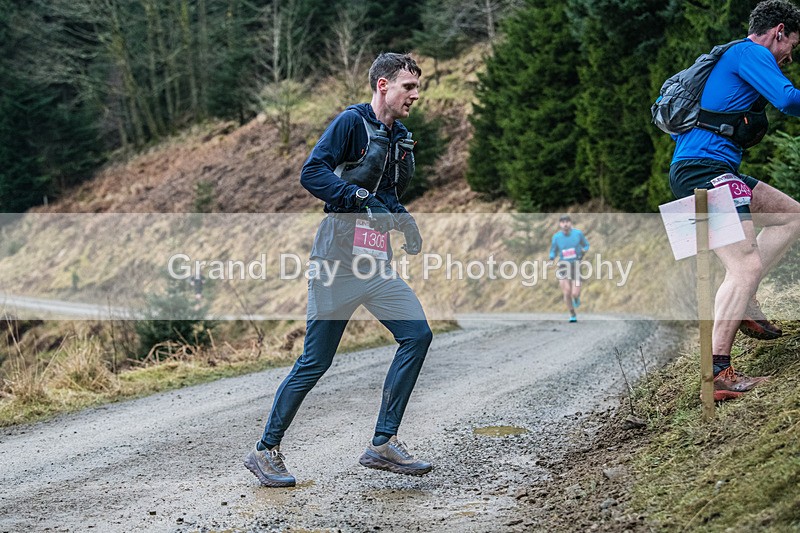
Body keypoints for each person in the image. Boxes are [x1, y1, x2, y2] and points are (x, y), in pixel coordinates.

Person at [244, 53, 433, 487]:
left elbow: (384, 192)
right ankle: (265, 450)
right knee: (315, 362)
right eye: (409, 87)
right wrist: (354, 195)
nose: (416, 95)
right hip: (334, 263)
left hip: (376, 264)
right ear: (383, 85)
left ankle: (383, 442)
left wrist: (403, 219)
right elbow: (311, 173)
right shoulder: (352, 123)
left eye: (418, 88)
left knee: (417, 335)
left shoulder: (400, 137)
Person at [669, 0, 800, 400]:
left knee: (792, 215)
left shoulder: (735, 57)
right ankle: (718, 375)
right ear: (779, 31)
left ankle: (743, 302)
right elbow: (789, 100)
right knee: (743, 265)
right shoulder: (750, 52)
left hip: (710, 168)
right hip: (701, 171)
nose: (791, 55)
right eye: (792, 44)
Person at [549, 215, 589, 323]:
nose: (565, 224)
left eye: (567, 221)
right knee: (566, 292)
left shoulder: (578, 234)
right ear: (560, 224)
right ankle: (572, 313)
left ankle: (576, 298)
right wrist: (551, 258)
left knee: (574, 293)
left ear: (570, 223)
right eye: (562, 222)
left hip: (576, 265)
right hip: (563, 266)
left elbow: (586, 245)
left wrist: (584, 250)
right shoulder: (556, 237)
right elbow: (553, 250)